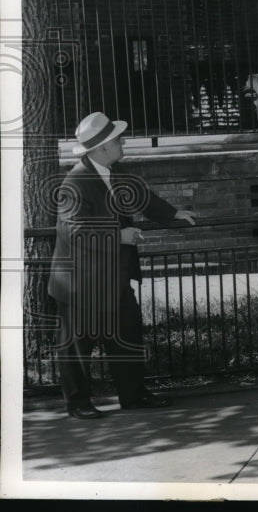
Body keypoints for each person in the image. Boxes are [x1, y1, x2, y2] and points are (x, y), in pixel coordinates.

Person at [47, 112, 197, 419]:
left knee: (127, 337)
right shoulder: (75, 181)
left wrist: (172, 215)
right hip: (80, 282)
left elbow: (143, 197)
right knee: (77, 347)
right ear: (102, 147)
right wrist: (119, 235)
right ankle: (78, 403)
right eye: (118, 139)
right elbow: (72, 230)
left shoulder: (114, 171)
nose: (123, 142)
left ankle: (134, 395)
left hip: (112, 277)